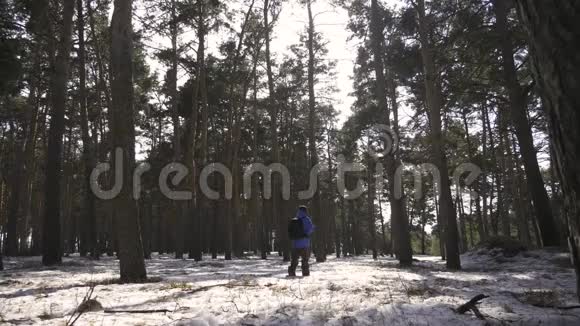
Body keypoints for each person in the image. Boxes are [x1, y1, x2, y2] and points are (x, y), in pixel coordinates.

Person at [288, 206, 314, 277]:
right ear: (305, 211)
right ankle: (305, 273)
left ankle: (291, 272)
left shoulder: (295, 219)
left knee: (294, 259)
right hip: (304, 243)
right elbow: (311, 229)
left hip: (295, 243)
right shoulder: (306, 219)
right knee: (305, 259)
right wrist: (306, 234)